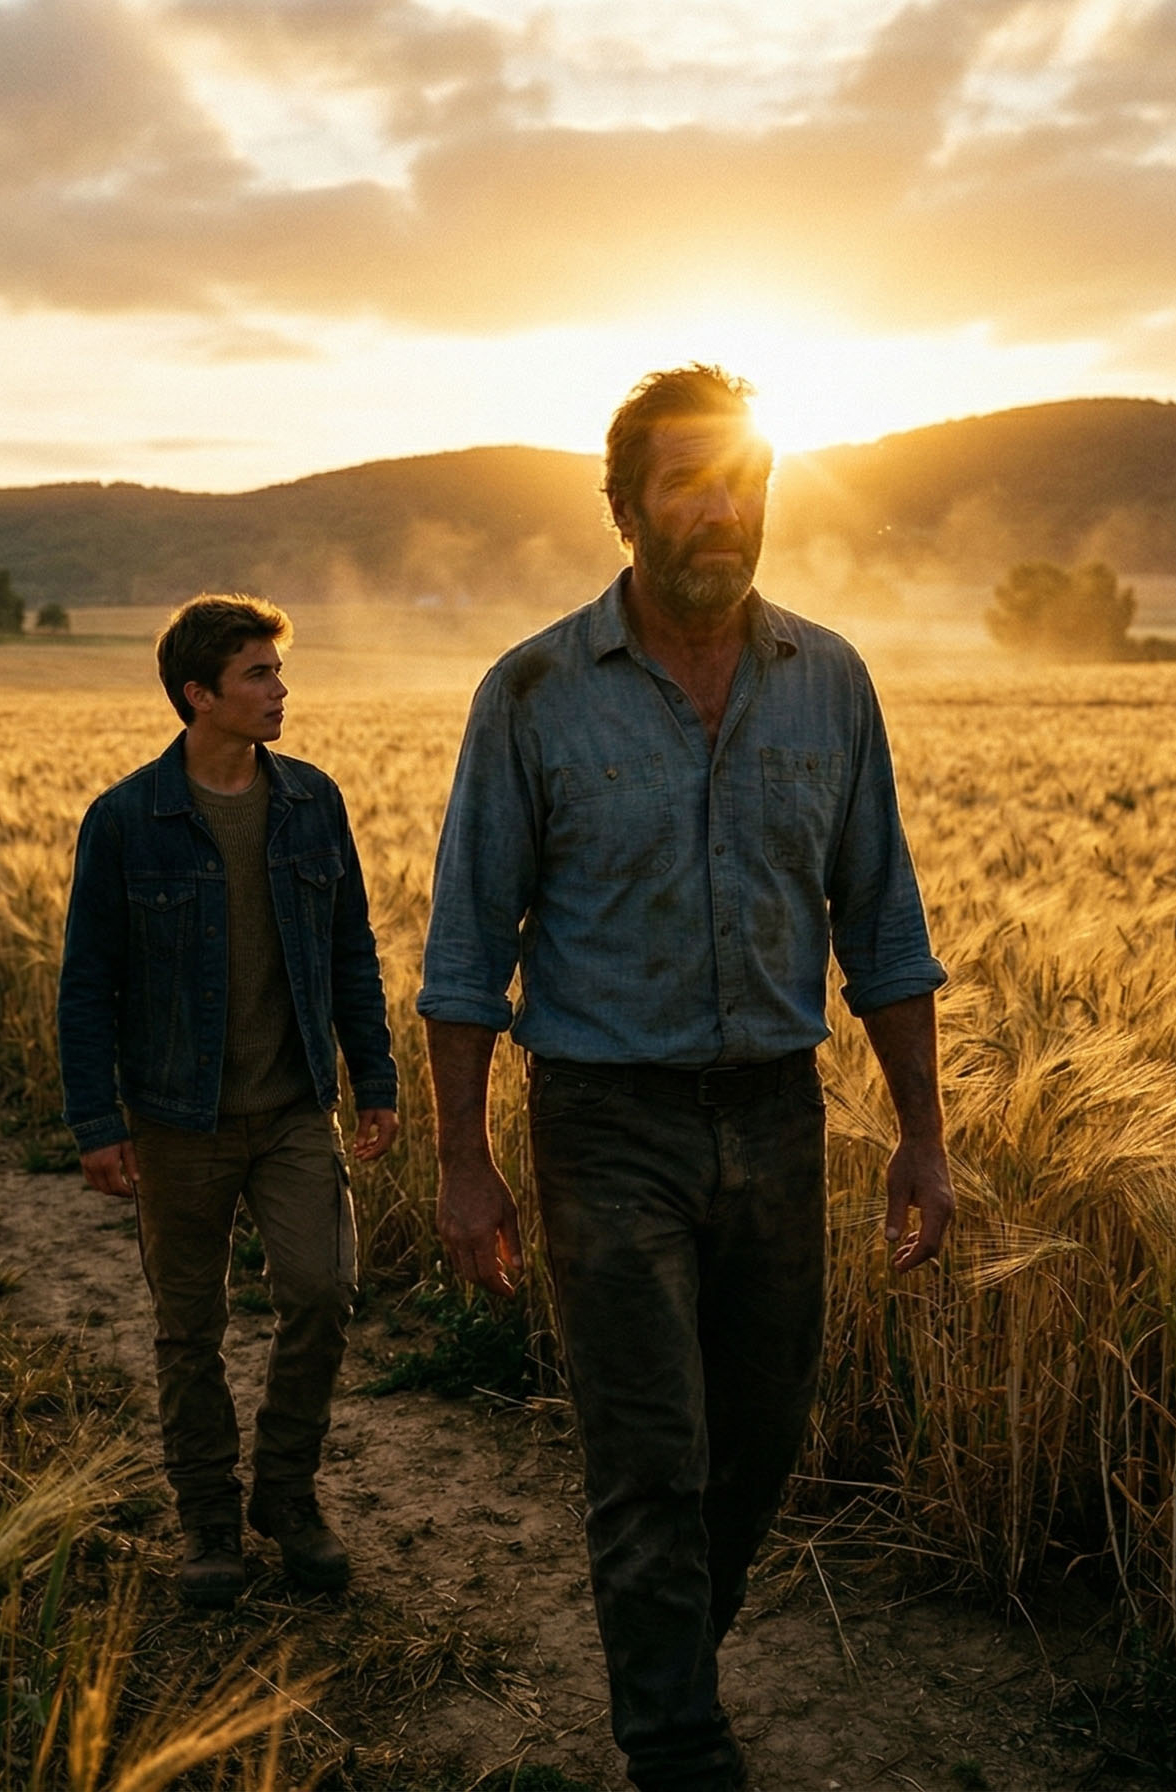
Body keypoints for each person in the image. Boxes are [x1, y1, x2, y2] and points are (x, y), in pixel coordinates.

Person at [419, 366, 953, 1792]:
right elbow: (468, 945)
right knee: (652, 1445)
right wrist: (464, 1161)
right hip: (607, 1123)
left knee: (762, 1434)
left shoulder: (829, 682)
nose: (722, 511)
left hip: (779, 1113)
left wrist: (922, 1134)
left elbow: (882, 921)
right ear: (625, 507)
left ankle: (670, 1656)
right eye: (687, 485)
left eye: (745, 482)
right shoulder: (533, 693)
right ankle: (674, 1740)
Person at [57, 594, 399, 1610]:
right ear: (198, 694)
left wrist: (374, 1079)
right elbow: (88, 983)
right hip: (177, 1120)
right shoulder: (126, 821)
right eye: (259, 674)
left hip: (296, 1106)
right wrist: (97, 1122)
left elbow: (351, 952)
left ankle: (286, 1496)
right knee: (188, 1327)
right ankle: (208, 1513)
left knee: (321, 1291)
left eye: (278, 672)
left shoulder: (312, 801)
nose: (280, 690)